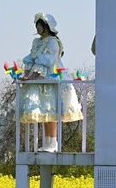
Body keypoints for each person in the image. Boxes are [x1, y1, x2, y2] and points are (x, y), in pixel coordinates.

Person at [19, 13, 83, 152]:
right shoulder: (37, 42)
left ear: (46, 26)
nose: (38, 28)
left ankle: (53, 143)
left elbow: (47, 60)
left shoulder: (52, 41)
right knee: (44, 111)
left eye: (40, 25)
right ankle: (47, 142)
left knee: (51, 110)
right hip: (40, 79)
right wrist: (26, 76)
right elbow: (30, 59)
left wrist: (32, 75)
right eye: (37, 26)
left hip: (51, 77)